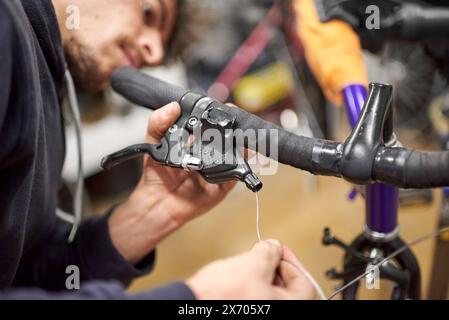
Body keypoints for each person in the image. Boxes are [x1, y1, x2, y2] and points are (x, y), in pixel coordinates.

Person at [0, 0, 314, 299]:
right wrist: (200, 299)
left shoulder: (43, 79)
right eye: (149, 11)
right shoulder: (7, 27)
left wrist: (148, 214)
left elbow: (26, 280)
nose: (154, 52)